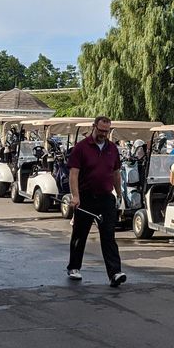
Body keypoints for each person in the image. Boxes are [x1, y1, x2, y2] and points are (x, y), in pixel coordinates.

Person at [67, 115, 126, 287]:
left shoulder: (112, 148)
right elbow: (74, 174)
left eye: (106, 131)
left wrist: (119, 193)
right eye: (101, 130)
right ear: (94, 126)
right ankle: (74, 267)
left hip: (106, 197)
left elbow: (116, 173)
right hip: (85, 196)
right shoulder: (81, 147)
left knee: (108, 235)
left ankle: (115, 273)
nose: (103, 134)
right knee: (80, 234)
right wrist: (75, 196)